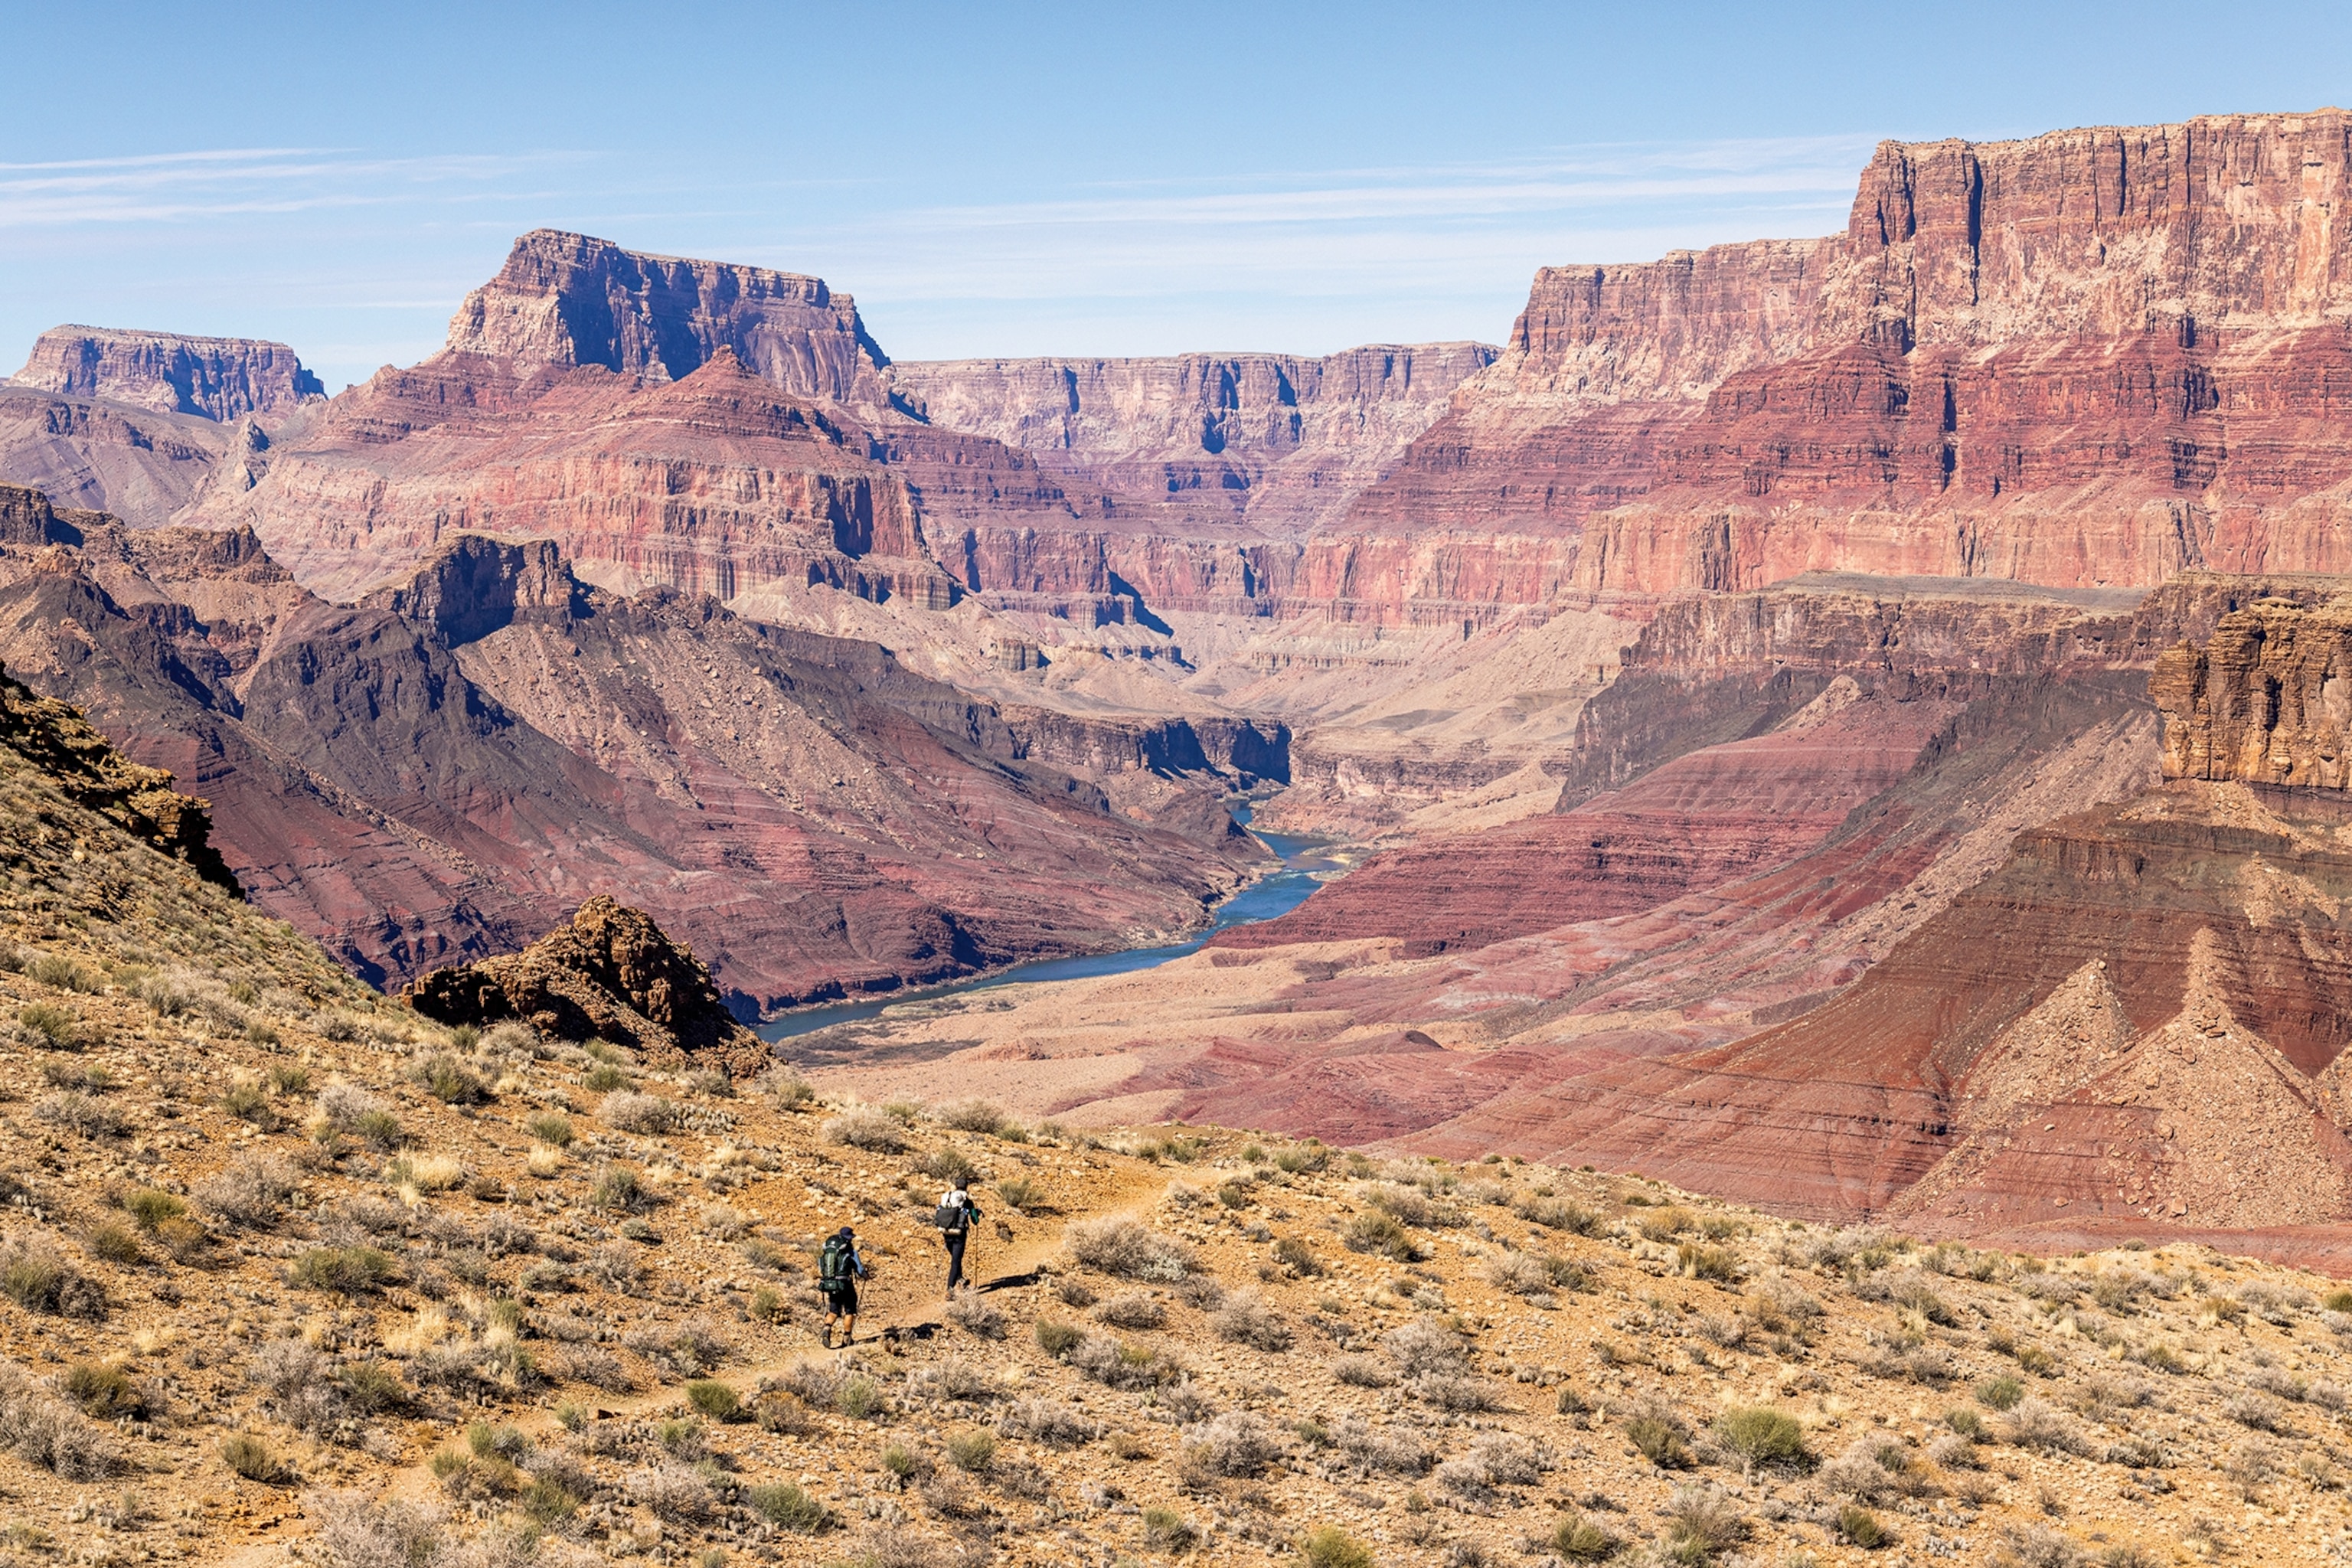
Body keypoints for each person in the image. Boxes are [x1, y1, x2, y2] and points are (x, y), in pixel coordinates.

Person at [818, 1224, 867, 1348]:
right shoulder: (851, 1252)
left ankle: (827, 1328)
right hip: (846, 1284)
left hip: (831, 1284)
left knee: (833, 1311)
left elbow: (820, 1266)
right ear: (850, 1238)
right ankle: (847, 1339)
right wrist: (866, 1276)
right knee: (850, 1310)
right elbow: (860, 1270)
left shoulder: (830, 1251)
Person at [937, 1175, 982, 1296]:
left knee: (955, 1258)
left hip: (945, 1232)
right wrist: (976, 1213)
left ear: (956, 1186)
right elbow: (975, 1221)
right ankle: (950, 1289)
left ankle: (961, 1279)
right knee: (956, 1261)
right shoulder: (966, 1200)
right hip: (959, 1233)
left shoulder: (948, 1198)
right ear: (966, 1187)